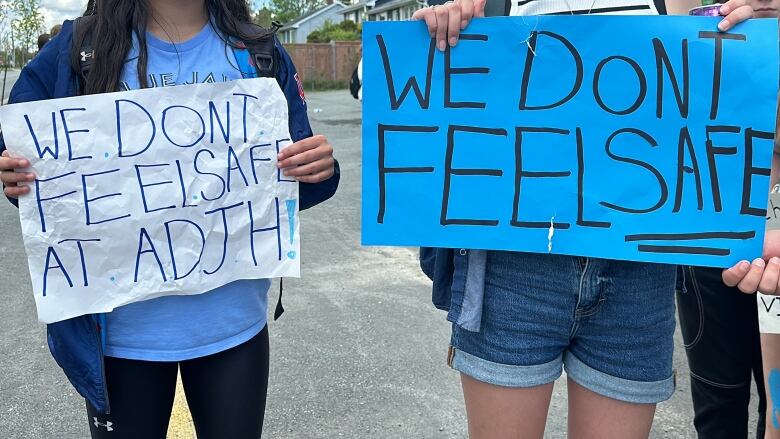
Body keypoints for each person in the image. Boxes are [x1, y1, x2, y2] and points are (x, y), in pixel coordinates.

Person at [414, 0, 761, 437]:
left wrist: (754, 51)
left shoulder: (691, 7)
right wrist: (440, 30)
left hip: (639, 273)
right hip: (514, 266)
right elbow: (455, 108)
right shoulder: (490, 5)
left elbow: (725, 115)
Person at [0, 0, 339, 437]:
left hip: (232, 328)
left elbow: (293, 175)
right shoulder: (79, 47)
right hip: (120, 338)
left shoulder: (258, 50)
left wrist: (318, 168)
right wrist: (14, 173)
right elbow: (27, 158)